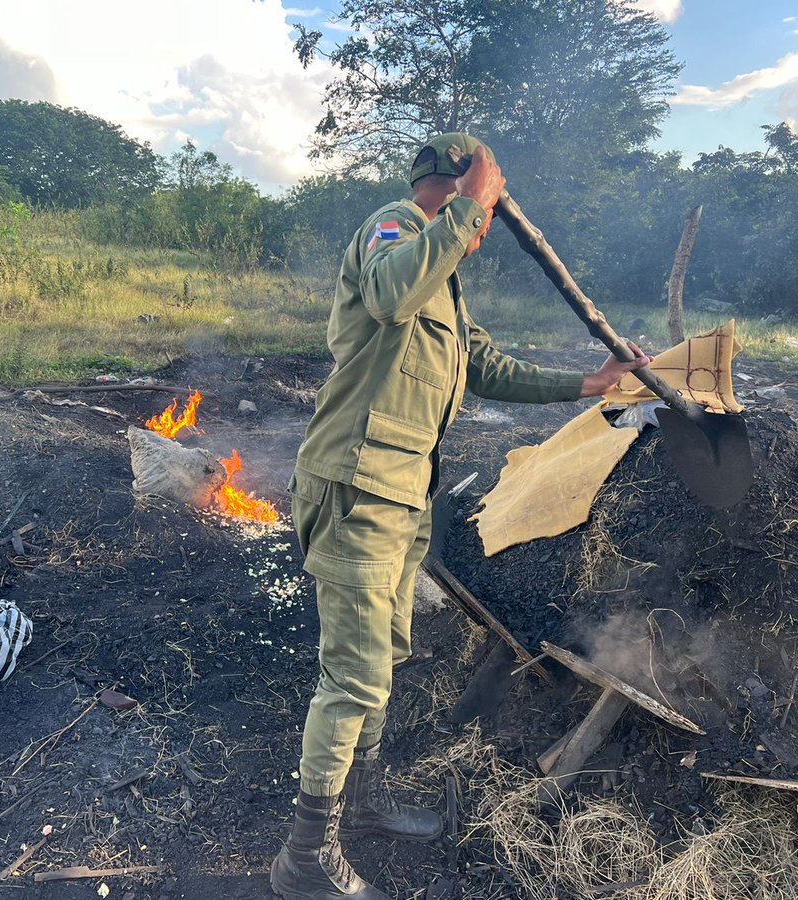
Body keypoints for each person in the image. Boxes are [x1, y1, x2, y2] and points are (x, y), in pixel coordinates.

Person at [271, 133, 651, 900]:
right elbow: (387, 295)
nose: (484, 230)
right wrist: (470, 204)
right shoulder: (397, 231)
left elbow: (487, 366)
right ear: (456, 186)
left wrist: (594, 382)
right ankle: (304, 856)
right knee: (353, 674)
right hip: (357, 485)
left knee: (386, 655)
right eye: (482, 206)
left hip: (404, 491)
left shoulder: (445, 279)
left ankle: (365, 804)